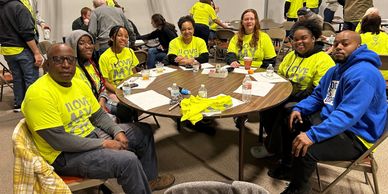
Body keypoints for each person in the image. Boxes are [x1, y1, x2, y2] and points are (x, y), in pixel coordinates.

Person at [21, 43, 175, 193]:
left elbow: (98, 115)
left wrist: (117, 131)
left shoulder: (78, 83)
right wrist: (104, 143)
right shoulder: (39, 95)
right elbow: (60, 141)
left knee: (143, 131)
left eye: (70, 59)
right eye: (58, 59)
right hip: (64, 154)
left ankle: (149, 180)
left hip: (90, 135)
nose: (66, 64)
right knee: (127, 161)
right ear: (47, 64)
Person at [281, 30, 387, 194]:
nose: (338, 47)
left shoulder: (364, 74)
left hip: (356, 134)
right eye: (336, 43)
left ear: (358, 46)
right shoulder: (336, 69)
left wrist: (312, 135)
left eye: (345, 44)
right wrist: (299, 108)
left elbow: (347, 115)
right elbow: (319, 96)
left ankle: (298, 189)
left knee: (306, 150)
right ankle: (292, 170)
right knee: (292, 117)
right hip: (334, 121)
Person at [251, 20, 335, 166]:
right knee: (265, 105)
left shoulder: (323, 59)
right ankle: (274, 142)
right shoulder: (291, 55)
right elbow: (280, 76)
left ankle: (275, 148)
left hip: (309, 101)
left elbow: (318, 91)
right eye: (295, 39)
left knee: (284, 110)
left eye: (304, 38)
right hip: (287, 94)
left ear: (313, 38)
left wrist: (287, 96)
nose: (299, 42)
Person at [0, 0, 43, 112]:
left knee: (18, 78)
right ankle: (33, 107)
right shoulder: (19, 7)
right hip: (23, 49)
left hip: (7, 50)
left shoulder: (2, 6)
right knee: (31, 79)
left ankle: (19, 104)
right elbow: (27, 34)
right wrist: (37, 53)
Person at [99, 25, 139, 118]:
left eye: (126, 36)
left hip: (130, 87)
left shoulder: (130, 51)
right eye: (120, 35)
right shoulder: (104, 57)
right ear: (112, 38)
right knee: (127, 109)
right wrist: (118, 91)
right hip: (114, 91)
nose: (124, 39)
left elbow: (134, 72)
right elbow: (105, 82)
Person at [359, 13, 388, 80]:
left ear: (363, 24)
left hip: (367, 74)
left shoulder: (359, 38)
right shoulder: (386, 36)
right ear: (379, 24)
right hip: (386, 75)